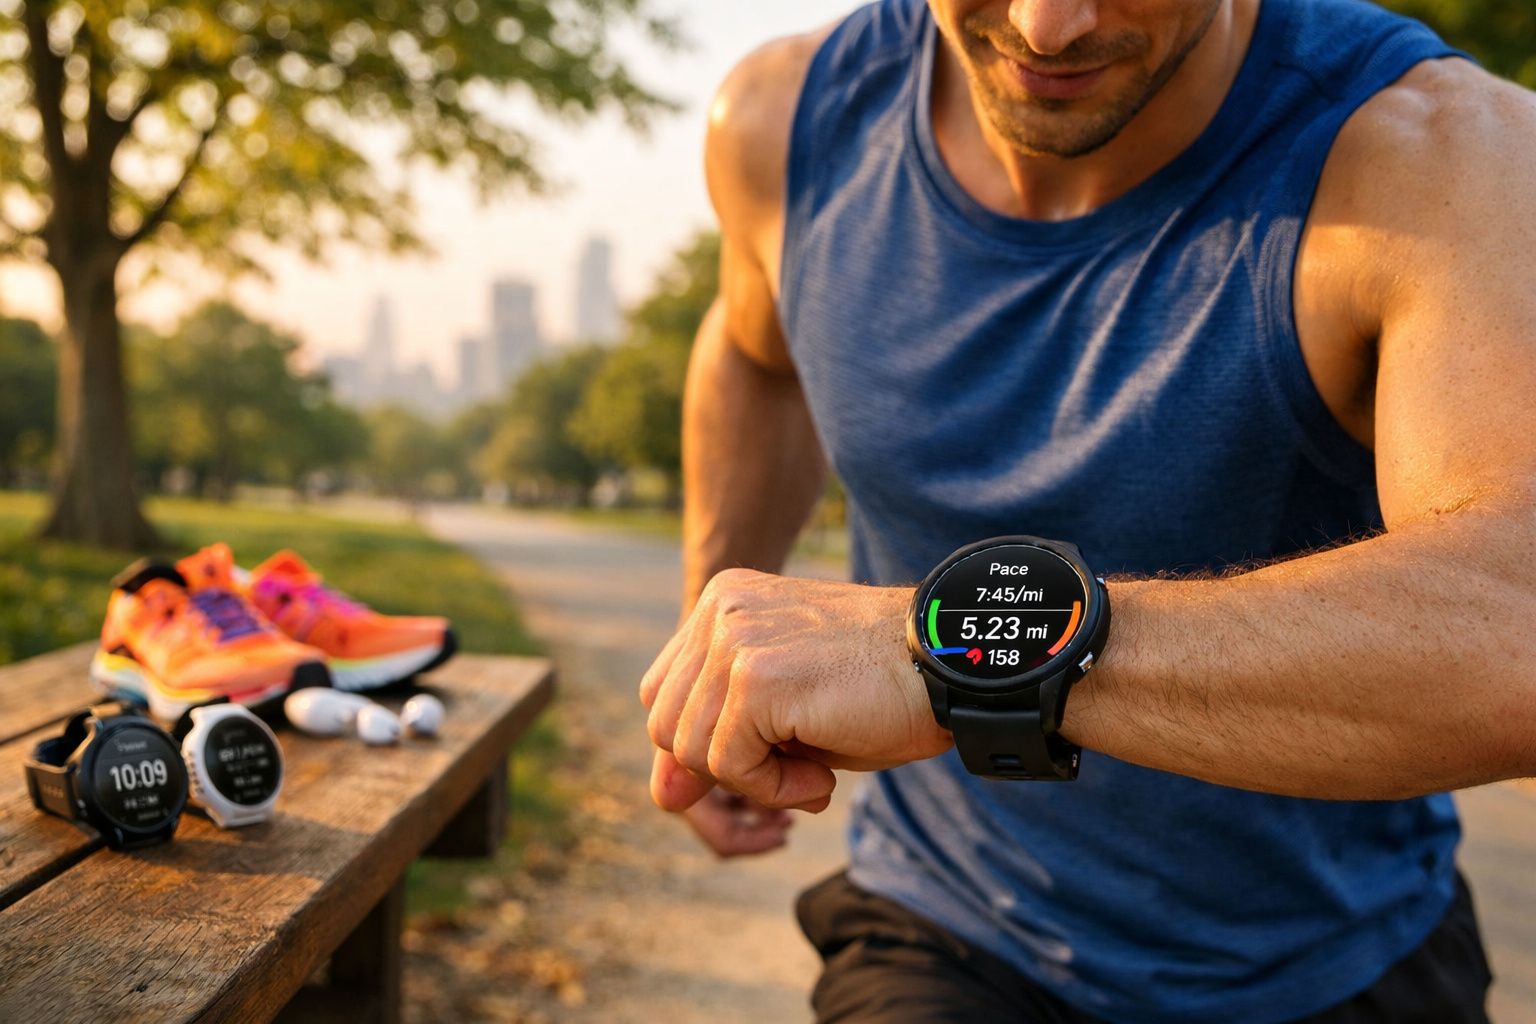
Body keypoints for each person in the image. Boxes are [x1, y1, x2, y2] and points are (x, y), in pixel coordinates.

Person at [640, 0, 1536, 1019]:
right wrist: (708, 648)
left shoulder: (1447, 158)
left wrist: (953, 650)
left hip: (1331, 956)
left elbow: (1518, 629)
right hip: (946, 928)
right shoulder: (782, 122)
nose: (1047, 27)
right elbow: (755, 355)